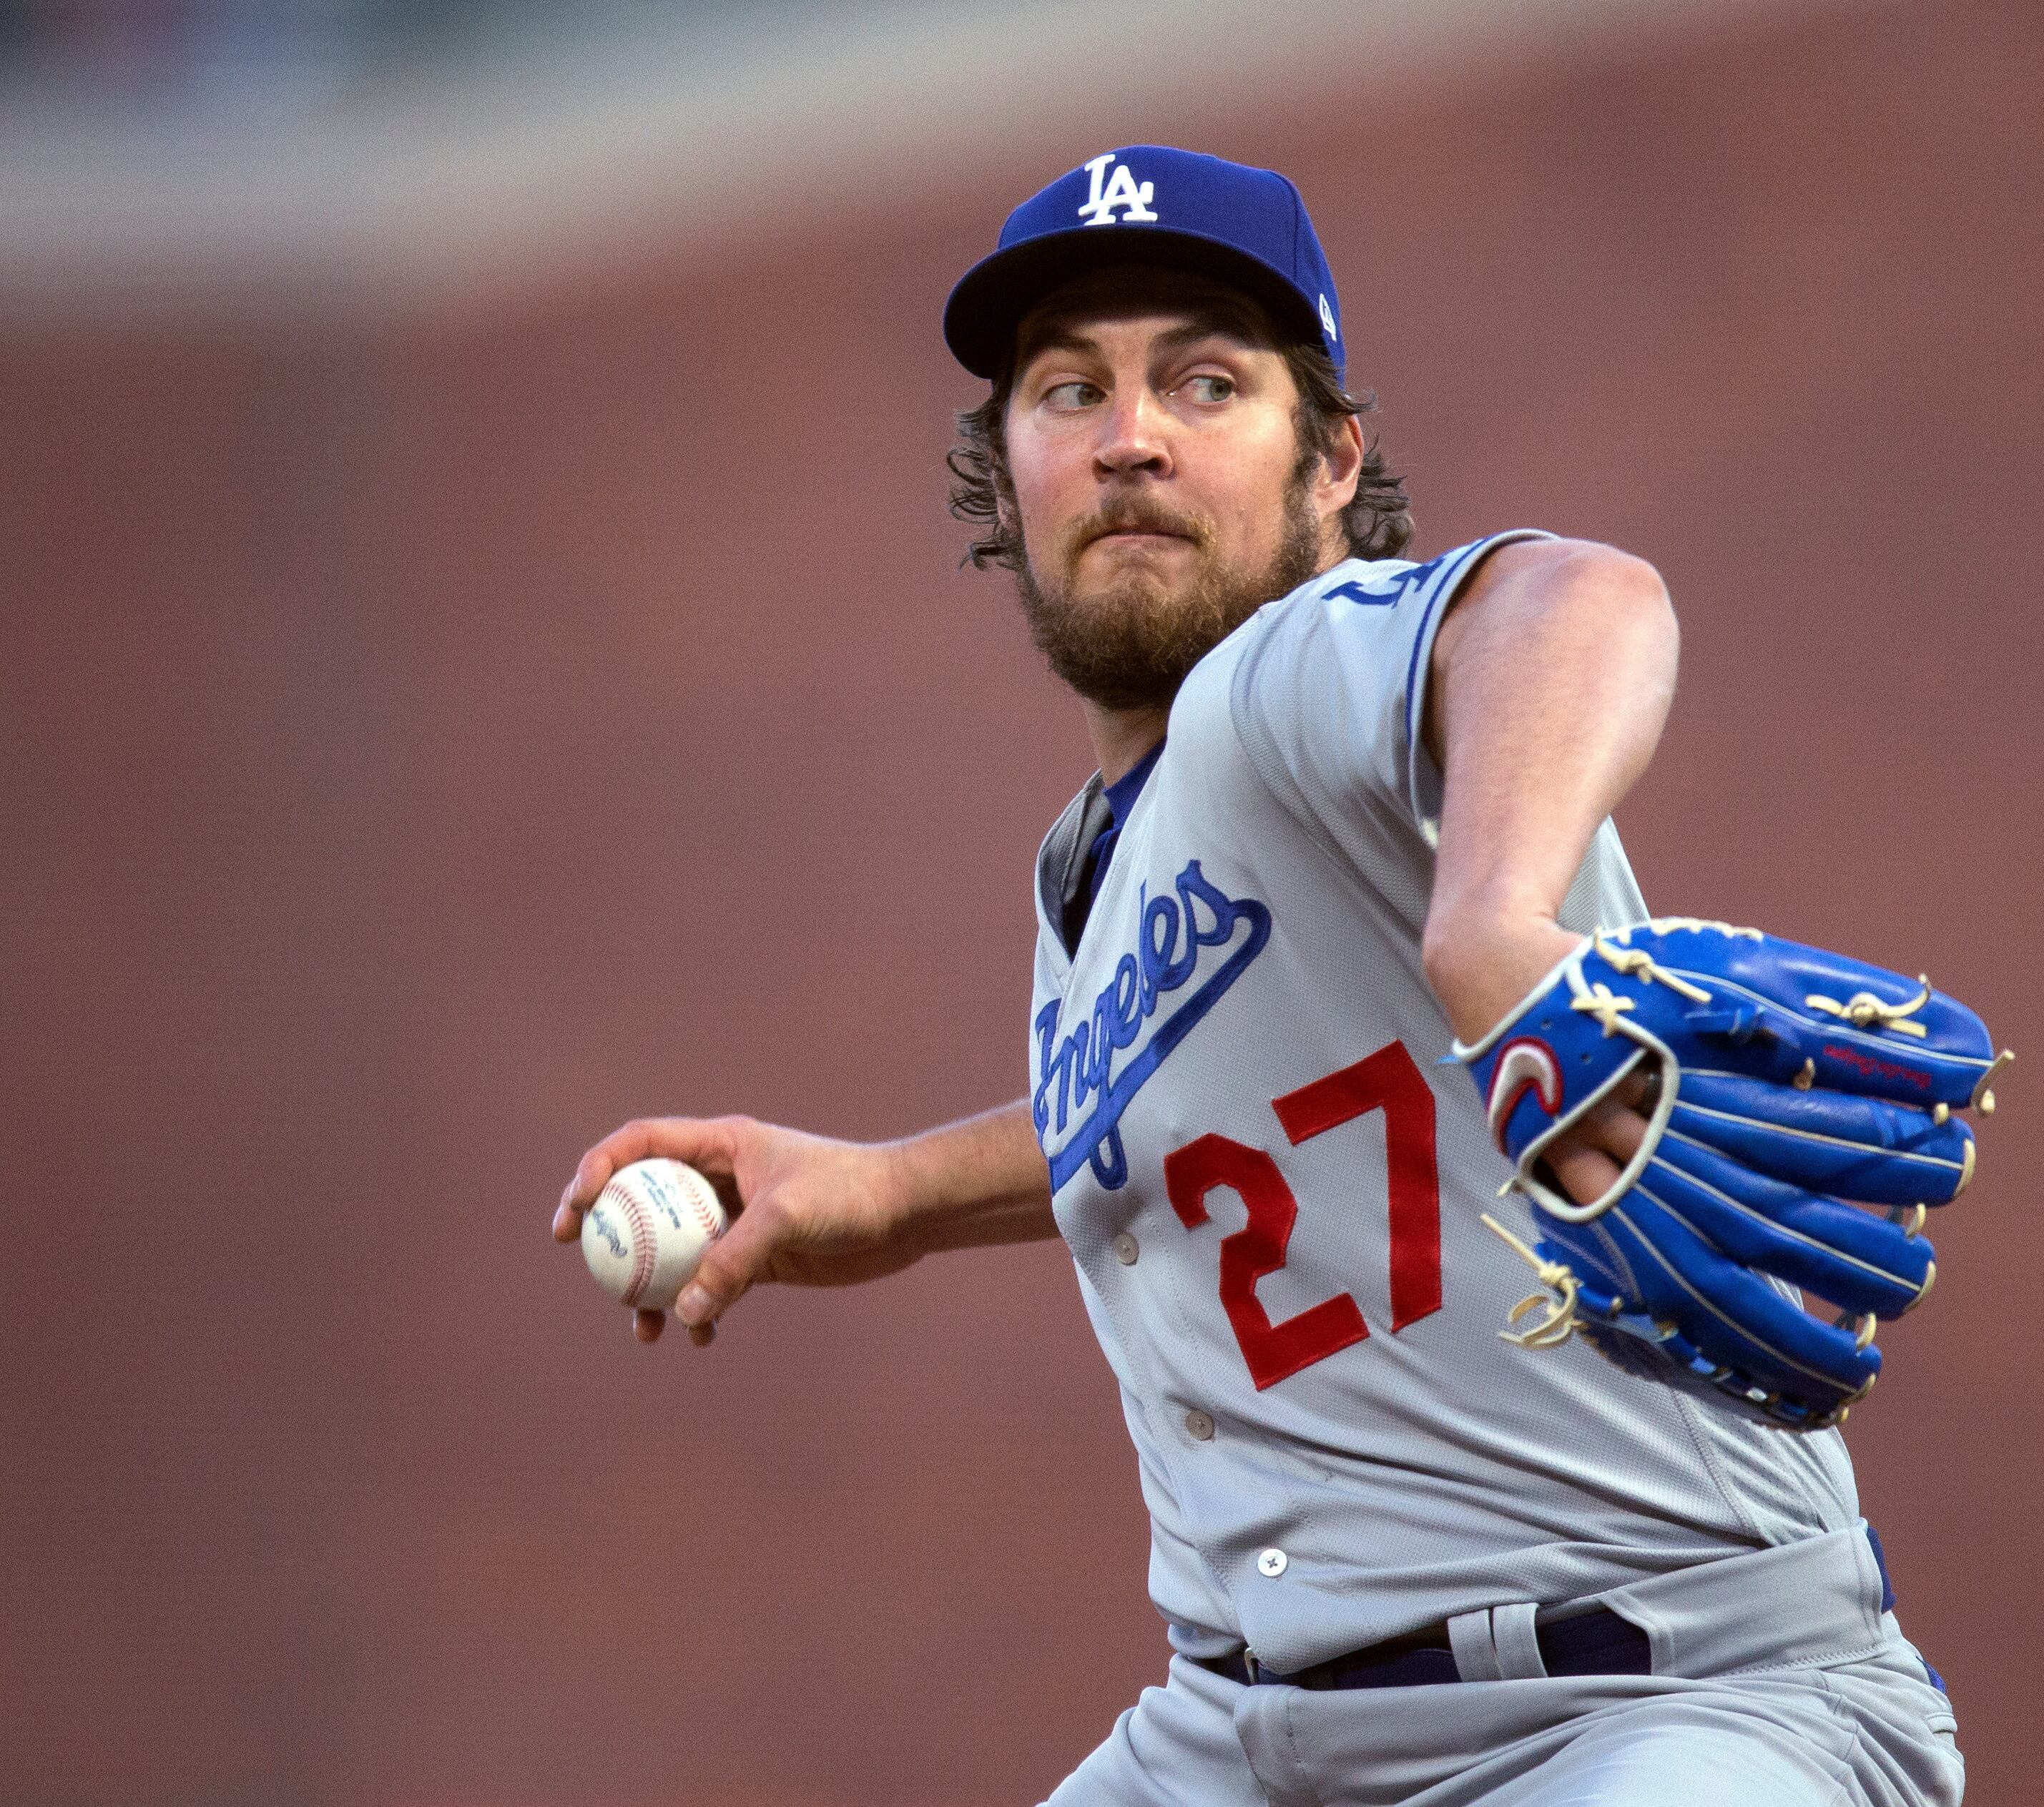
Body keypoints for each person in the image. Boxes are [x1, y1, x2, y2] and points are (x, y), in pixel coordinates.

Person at [552, 146, 1965, 1807]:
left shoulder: (1291, 678)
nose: (1127, 435)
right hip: (1237, 1739)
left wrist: (1494, 919)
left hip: (1654, 1704)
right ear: (1005, 476)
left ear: (1331, 460)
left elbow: (1573, 595)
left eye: (1204, 382)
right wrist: (891, 1191)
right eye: (1067, 390)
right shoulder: (1089, 866)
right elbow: (1195, 1116)